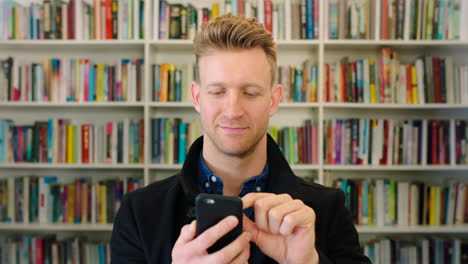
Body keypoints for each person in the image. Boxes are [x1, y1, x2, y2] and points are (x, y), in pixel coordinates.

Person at [111, 13, 371, 264]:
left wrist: (308, 263)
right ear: (197, 97)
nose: (233, 111)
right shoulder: (139, 211)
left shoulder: (327, 209)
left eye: (250, 92)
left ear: (274, 100)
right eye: (217, 91)